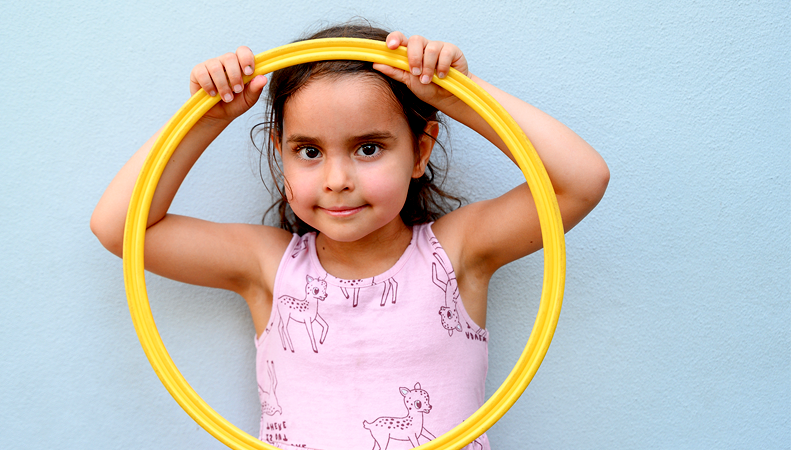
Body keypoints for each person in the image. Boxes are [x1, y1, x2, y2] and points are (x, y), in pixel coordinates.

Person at [91, 22, 608, 450]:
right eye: (309, 151)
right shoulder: (268, 267)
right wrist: (206, 117)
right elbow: (120, 228)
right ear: (281, 153)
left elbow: (581, 180)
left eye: (368, 148)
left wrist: (459, 98)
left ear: (420, 151)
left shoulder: (458, 253)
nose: (337, 179)